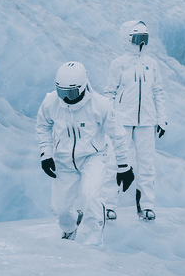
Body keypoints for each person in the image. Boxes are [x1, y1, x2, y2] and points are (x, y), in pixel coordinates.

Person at [36, 61, 135, 244]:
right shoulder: (51, 102)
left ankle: (93, 243)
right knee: (60, 209)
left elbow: (118, 135)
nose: (66, 98)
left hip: (93, 157)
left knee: (91, 198)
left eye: (71, 93)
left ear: (82, 88)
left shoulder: (100, 105)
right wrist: (46, 154)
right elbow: (43, 126)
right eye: (62, 92)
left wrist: (124, 166)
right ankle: (70, 226)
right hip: (63, 160)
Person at [103, 21, 167, 222]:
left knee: (147, 165)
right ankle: (108, 205)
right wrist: (109, 119)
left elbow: (158, 92)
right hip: (122, 120)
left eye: (145, 38)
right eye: (137, 38)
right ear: (127, 39)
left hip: (147, 121)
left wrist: (161, 118)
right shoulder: (119, 64)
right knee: (115, 162)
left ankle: (146, 206)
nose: (141, 43)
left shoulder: (152, 64)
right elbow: (110, 92)